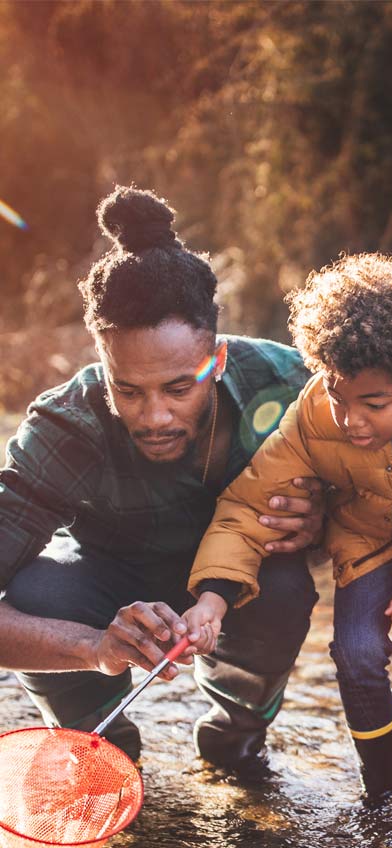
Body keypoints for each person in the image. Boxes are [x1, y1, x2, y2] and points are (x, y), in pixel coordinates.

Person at [0, 185, 322, 778]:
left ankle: (235, 735)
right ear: (103, 361)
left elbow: (390, 483)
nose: (154, 416)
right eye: (128, 390)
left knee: (285, 590)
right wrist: (93, 650)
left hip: (243, 580)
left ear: (217, 360)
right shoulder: (64, 425)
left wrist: (322, 520)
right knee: (36, 594)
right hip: (103, 580)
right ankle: (103, 749)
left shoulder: (291, 384)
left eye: (179, 388)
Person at [183, 253, 392, 848]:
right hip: (368, 534)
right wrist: (214, 596)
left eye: (374, 404)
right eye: (338, 395)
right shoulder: (313, 416)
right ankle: (380, 794)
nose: (351, 420)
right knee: (354, 651)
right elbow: (250, 505)